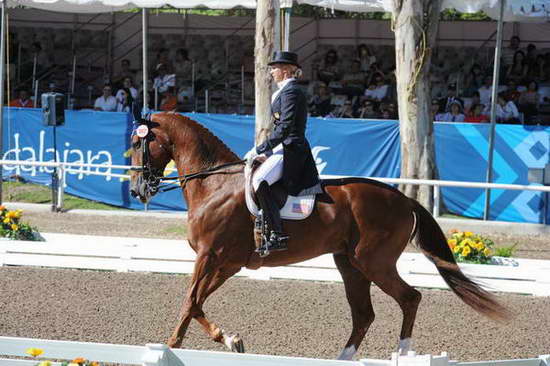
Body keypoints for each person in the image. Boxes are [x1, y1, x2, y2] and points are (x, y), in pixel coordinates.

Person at [246, 51, 321, 254]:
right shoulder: (282, 92)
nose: (271, 72)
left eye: (274, 68)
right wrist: (268, 153)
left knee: (260, 179)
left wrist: (260, 149)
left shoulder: (292, 92)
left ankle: (277, 233)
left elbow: (285, 127)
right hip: (282, 147)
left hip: (292, 148)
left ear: (286, 70)